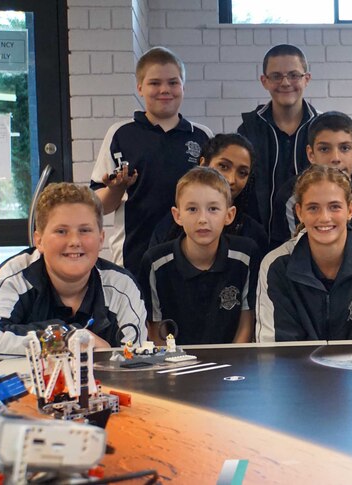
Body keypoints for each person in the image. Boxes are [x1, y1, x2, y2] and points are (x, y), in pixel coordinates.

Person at [0, 183, 147, 366]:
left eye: (85, 230)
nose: (75, 241)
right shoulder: (15, 277)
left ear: (101, 239)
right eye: (61, 231)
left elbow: (135, 360)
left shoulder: (122, 286)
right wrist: (66, 339)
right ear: (39, 241)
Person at [90, 46, 213, 275]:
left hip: (195, 256)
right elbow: (99, 207)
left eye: (173, 82)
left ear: (183, 87)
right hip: (135, 256)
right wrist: (116, 190)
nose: (165, 89)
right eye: (155, 83)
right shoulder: (120, 134)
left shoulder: (203, 136)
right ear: (140, 88)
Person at [256, 165, 352, 342]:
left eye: (334, 207)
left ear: (350, 210)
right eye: (313, 208)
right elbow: (276, 350)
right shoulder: (276, 265)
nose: (324, 217)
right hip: (296, 370)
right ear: (299, 212)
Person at [139, 167, 260, 344]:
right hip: (175, 365)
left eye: (213, 209)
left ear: (229, 215)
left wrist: (233, 363)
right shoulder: (155, 263)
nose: (203, 218)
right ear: (177, 215)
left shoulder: (246, 255)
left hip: (232, 364)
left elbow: (246, 324)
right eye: (192, 209)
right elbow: (156, 330)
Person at [269, 111, 352, 247]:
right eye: (324, 149)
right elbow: (293, 249)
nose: (335, 158)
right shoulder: (291, 196)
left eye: (345, 148)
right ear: (311, 154)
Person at [238, 44, 318, 233]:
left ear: (306, 79)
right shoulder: (248, 130)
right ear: (264, 81)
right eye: (276, 76)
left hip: (313, 237)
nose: (285, 82)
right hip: (261, 238)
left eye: (293, 75)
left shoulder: (321, 129)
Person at [150, 133, 268, 251]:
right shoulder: (169, 228)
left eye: (242, 173)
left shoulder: (253, 235)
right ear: (203, 164)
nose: (231, 180)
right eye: (224, 166)